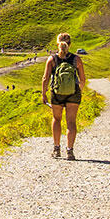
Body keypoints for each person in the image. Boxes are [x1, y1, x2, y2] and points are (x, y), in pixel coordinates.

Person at [39, 32, 86, 160]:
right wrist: (78, 91)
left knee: (56, 119)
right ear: (70, 44)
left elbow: (45, 78)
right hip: (73, 93)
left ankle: (56, 148)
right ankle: (70, 151)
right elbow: (82, 79)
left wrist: (44, 94)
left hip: (57, 93)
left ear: (57, 43)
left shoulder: (52, 59)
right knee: (71, 122)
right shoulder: (76, 59)